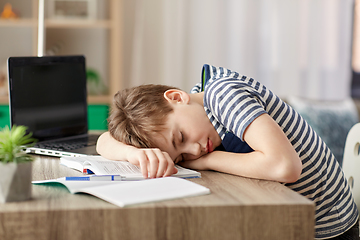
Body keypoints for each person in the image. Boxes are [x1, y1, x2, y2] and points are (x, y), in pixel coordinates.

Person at [96, 64, 359, 239]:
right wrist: (134, 154)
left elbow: (285, 167)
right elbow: (102, 140)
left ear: (177, 98)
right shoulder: (198, 106)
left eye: (181, 138)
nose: (194, 150)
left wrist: (208, 160)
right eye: (181, 157)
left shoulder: (224, 95)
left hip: (327, 226)